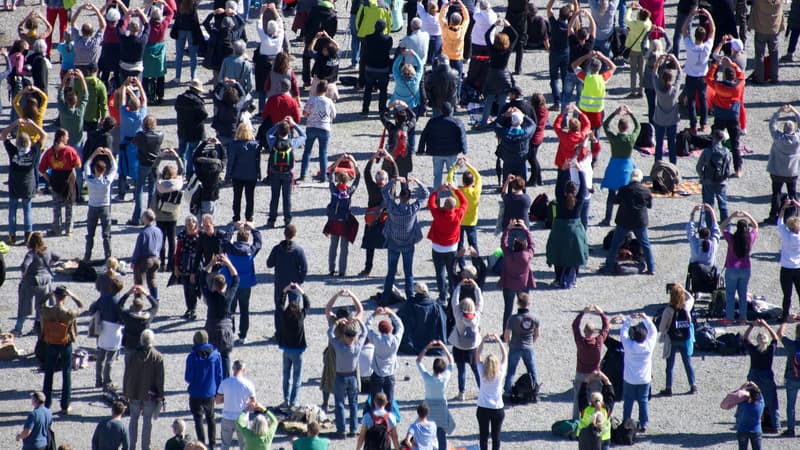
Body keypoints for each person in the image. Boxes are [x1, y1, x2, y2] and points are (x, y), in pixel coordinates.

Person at [381, 176, 429, 302]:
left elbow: (384, 191)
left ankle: (385, 297)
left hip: (393, 242)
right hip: (408, 243)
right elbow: (426, 194)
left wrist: (394, 180)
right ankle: (410, 297)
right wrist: (418, 181)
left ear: (399, 198)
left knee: (391, 272)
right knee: (408, 273)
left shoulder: (392, 208)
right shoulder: (412, 209)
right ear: (409, 199)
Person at [39, 286, 84, 414]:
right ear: (65, 297)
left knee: (49, 373)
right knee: (66, 373)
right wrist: (72, 295)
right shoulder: (69, 313)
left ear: (55, 296)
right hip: (65, 343)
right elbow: (81, 306)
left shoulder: (47, 311)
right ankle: (65, 405)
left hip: (50, 342)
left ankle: (46, 404)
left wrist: (49, 294)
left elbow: (39, 303)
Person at [1, 120, 45, 246]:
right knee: (27, 210)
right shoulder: (33, 153)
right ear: (29, 143)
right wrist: (33, 125)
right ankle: (28, 236)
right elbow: (44, 135)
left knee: (12, 210)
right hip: (28, 184)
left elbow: (3, 134)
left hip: (14, 184)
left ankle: (12, 236)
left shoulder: (13, 152)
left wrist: (15, 123)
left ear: (18, 143)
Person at [604, 169, 655, 275]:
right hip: (639, 221)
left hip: (624, 221)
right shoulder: (646, 191)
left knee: (615, 245)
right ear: (640, 179)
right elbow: (649, 205)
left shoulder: (623, 189)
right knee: (645, 244)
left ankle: (608, 267)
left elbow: (615, 201)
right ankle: (651, 268)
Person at [547, 164, 589, 288]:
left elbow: (558, 186)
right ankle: (573, 278)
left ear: (565, 191)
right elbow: (584, 189)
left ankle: (558, 279)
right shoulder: (579, 201)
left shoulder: (560, 199)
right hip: (575, 230)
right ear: (574, 191)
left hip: (560, 229)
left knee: (558, 254)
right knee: (575, 254)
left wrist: (563, 170)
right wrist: (580, 171)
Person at [616, 311, 657, 433]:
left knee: (628, 401)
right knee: (643, 401)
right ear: (645, 337)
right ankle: (643, 424)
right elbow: (653, 331)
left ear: (633, 337)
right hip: (644, 379)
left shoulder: (629, 345)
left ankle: (626, 421)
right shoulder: (649, 346)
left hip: (629, 378)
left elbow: (623, 332)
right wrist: (645, 318)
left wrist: (629, 319)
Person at [123, 329, 164, 450]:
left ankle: (131, 447)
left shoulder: (131, 355)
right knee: (147, 422)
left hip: (134, 392)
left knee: (133, 419)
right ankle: (145, 447)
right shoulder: (158, 357)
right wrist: (161, 394)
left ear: (141, 340)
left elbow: (127, 374)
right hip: (150, 395)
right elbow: (159, 379)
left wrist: (125, 392)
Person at [221, 222, 262, 344]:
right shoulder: (250, 251)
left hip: (232, 283)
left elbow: (225, 239)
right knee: (244, 310)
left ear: (237, 238)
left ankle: (230, 332)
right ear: (247, 239)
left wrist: (234, 227)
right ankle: (243, 335)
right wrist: (254, 228)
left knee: (230, 309)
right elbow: (258, 242)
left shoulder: (231, 249)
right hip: (246, 284)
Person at [328, 311, 368, 438]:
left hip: (340, 376)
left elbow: (329, 333)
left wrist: (337, 322)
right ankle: (353, 429)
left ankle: (341, 430)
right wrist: (358, 320)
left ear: (345, 336)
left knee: (339, 403)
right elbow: (365, 332)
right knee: (353, 404)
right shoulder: (357, 347)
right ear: (354, 337)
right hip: (352, 377)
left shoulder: (339, 345)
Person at [200, 253, 239, 378]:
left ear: (214, 286)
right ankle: (226, 379)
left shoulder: (210, 296)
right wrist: (228, 262)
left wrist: (211, 263)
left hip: (211, 327)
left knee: (211, 355)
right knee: (225, 356)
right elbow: (236, 278)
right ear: (225, 285)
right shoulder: (228, 296)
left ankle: (211, 378)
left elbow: (202, 277)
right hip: (225, 328)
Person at [359, 150, 398, 276]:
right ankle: (393, 269)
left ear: (376, 180)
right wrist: (391, 159)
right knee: (391, 246)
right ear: (386, 180)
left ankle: (368, 268)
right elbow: (395, 174)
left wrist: (373, 158)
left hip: (373, 219)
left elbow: (366, 173)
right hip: (387, 219)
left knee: (370, 246)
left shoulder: (372, 187)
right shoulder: (390, 187)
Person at [427, 183, 468, 304]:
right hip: (451, 248)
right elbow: (465, 202)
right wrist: (455, 190)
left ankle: (442, 296)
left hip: (438, 248)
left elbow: (431, 203)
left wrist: (437, 191)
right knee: (452, 272)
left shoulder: (438, 214)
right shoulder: (458, 214)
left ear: (444, 206)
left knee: (440, 273)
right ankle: (453, 294)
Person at [600, 105, 640, 226]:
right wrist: (631, 113)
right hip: (627, 168)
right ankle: (625, 220)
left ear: (618, 127)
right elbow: (638, 127)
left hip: (614, 166)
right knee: (626, 196)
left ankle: (607, 219)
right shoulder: (631, 139)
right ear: (627, 128)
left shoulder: (614, 138)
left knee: (611, 195)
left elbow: (605, 125)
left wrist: (615, 113)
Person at [13, 233, 60, 336]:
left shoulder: (31, 254)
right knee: (41, 306)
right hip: (45, 281)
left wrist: (24, 275)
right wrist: (49, 263)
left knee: (24, 305)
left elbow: (24, 266)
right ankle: (37, 327)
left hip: (31, 281)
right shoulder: (48, 251)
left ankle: (18, 329)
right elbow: (57, 257)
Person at [706, 57, 745, 177]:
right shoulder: (737, 88)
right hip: (732, 117)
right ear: (733, 78)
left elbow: (708, 78)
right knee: (735, 144)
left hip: (720, 116)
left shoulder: (718, 86)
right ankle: (738, 169)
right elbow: (742, 76)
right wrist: (733, 64)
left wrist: (715, 65)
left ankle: (713, 165)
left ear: (724, 76)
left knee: (716, 141)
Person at [475, 19, 517, 128]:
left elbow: (486, 35)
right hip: (504, 76)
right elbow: (516, 36)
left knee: (489, 99)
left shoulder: (492, 49)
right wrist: (508, 25)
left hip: (492, 76)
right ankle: (500, 122)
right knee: (503, 100)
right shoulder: (507, 51)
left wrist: (494, 25)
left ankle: (483, 122)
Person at [267, 224, 308, 337]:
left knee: (279, 308)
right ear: (295, 234)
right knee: (295, 310)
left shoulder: (277, 248)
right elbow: (304, 268)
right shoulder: (299, 250)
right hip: (294, 285)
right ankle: (293, 332)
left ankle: (279, 333)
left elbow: (269, 264)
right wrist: (300, 280)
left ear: (284, 234)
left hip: (280, 283)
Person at [39, 128, 82, 237]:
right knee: (69, 205)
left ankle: (57, 228)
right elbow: (78, 164)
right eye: (67, 136)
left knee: (56, 206)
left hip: (55, 179)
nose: (68, 138)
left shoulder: (50, 152)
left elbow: (42, 169)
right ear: (62, 137)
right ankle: (68, 229)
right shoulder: (69, 151)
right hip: (68, 179)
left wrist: (49, 179)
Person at [324, 154, 361, 277]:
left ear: (337, 179)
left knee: (333, 246)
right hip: (345, 221)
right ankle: (342, 271)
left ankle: (330, 268)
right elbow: (358, 178)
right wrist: (353, 161)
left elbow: (330, 172)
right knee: (344, 248)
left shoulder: (334, 190)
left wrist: (339, 160)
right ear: (347, 180)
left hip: (334, 220)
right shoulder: (349, 191)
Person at [657, 283, 697, 396]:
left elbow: (661, 328)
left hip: (672, 339)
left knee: (670, 365)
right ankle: (693, 385)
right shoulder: (686, 307)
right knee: (687, 363)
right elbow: (691, 298)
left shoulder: (668, 310)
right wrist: (682, 289)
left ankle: (668, 388)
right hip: (685, 339)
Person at [719, 210, 759, 325]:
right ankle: (742, 317)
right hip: (745, 269)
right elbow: (756, 226)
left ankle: (729, 318)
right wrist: (747, 214)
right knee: (743, 294)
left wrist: (732, 216)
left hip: (732, 269)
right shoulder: (750, 239)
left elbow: (721, 227)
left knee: (730, 295)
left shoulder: (732, 239)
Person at [185, 330, 224, 447]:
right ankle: (212, 445)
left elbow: (188, 377)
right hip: (210, 392)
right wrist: (218, 391)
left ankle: (201, 445)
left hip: (196, 392)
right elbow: (219, 375)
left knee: (198, 419)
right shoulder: (216, 355)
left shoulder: (192, 357)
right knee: (211, 418)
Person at [571, 305, 610, 419]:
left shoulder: (580, 341)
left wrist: (582, 312)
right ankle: (596, 419)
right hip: (595, 374)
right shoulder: (598, 341)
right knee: (596, 399)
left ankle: (576, 421)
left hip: (581, 373)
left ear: (584, 331)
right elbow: (606, 327)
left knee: (577, 399)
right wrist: (601, 313)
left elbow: (574, 326)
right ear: (594, 332)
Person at [742, 319, 781, 434]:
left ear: (757, 341)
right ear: (766, 341)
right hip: (767, 375)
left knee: (754, 400)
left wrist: (752, 325)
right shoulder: (770, 350)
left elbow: (745, 338)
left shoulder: (754, 350)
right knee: (772, 401)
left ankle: (754, 424)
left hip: (754, 376)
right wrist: (766, 325)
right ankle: (775, 425)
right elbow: (775, 338)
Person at [265, 118, 305, 227]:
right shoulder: (292, 143)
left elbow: (268, 133)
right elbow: (303, 136)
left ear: (278, 131)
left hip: (274, 173)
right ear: (289, 131)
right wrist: (294, 124)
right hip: (288, 174)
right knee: (286, 198)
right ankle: (287, 220)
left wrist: (278, 123)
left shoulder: (273, 141)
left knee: (274, 197)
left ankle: (271, 220)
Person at [56, 70, 89, 202]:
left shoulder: (63, 110)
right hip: (77, 144)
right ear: (76, 102)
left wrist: (65, 79)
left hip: (65, 144)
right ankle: (79, 194)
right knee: (78, 171)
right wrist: (81, 78)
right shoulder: (79, 112)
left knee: (64, 170)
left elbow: (59, 94)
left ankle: (65, 194)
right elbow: (86, 95)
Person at [682, 7, 715, 134]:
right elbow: (713, 30)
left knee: (691, 101)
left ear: (695, 35)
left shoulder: (690, 46)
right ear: (704, 36)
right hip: (702, 76)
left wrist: (691, 15)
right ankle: (704, 123)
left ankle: (693, 124)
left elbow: (684, 30)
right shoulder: (707, 47)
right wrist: (708, 15)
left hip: (691, 76)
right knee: (702, 100)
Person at [765, 105, 800, 225]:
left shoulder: (778, 137)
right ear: (793, 129)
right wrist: (794, 111)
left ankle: (773, 216)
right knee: (793, 194)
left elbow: (772, 125)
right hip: (792, 172)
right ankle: (794, 217)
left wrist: (778, 111)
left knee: (776, 194)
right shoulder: (797, 139)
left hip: (777, 171)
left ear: (784, 129)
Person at [498, 220, 535, 331]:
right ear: (524, 247)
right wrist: (525, 228)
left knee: (507, 310)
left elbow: (503, 243)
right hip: (523, 285)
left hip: (509, 285)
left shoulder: (508, 255)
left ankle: (505, 333)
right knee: (524, 308)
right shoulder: (527, 255)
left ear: (513, 246)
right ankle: (524, 329)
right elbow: (532, 243)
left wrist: (508, 228)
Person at [501, 292, 540, 398]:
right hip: (528, 346)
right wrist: (531, 342)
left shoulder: (513, 318)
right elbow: (537, 335)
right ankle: (536, 390)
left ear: (518, 303)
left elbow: (506, 335)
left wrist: (509, 343)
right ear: (529, 303)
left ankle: (507, 391)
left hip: (515, 346)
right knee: (532, 369)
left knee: (511, 371)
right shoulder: (534, 318)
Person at [277, 283, 310, 408]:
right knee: (297, 377)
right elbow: (307, 304)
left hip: (286, 350)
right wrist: (301, 291)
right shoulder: (300, 317)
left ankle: (285, 399)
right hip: (298, 351)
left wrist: (285, 290)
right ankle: (293, 401)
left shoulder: (284, 316)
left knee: (286, 376)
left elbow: (280, 304)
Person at [365, 307, 405, 406]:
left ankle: (375, 418)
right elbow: (400, 326)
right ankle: (388, 418)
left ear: (379, 330)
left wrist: (374, 314)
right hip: (390, 374)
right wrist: (391, 314)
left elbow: (366, 327)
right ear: (391, 329)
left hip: (377, 373)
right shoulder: (395, 340)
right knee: (389, 400)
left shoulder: (376, 339)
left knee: (375, 400)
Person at [474, 333, 507, 450]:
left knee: (483, 437)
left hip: (483, 407)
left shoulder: (482, 372)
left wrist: (483, 340)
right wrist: (499, 340)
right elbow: (504, 355)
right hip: (497, 408)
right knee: (496, 437)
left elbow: (477, 355)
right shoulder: (500, 373)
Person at [397, 283, 448, 355]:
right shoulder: (435, 306)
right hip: (431, 342)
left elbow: (398, 318)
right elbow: (442, 324)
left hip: (412, 343)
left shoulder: (409, 304)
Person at [301, 80, 337, 183]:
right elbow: (334, 115)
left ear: (316, 89)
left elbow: (305, 113)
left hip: (311, 127)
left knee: (307, 151)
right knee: (323, 153)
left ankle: (303, 174)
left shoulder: (311, 100)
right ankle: (323, 176)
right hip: (324, 128)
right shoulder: (329, 101)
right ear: (326, 90)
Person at [216, 360, 256, 450]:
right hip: (242, 418)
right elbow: (253, 403)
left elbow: (218, 401)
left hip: (227, 417)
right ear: (244, 370)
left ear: (233, 369)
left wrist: (227, 398)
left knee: (225, 445)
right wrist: (246, 407)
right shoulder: (248, 384)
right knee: (244, 445)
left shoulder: (225, 382)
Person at [130, 118, 163, 227]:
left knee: (139, 190)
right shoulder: (160, 135)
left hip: (143, 164)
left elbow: (134, 143)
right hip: (154, 165)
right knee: (152, 191)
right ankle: (150, 217)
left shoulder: (141, 135)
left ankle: (137, 217)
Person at [225, 124, 261, 223]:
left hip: (237, 175)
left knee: (237, 197)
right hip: (251, 175)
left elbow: (230, 162)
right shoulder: (255, 145)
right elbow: (258, 161)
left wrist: (227, 177)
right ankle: (249, 217)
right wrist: (259, 173)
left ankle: (236, 217)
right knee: (250, 197)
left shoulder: (233, 145)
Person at [696, 129, 733, 225]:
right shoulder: (727, 151)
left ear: (713, 137)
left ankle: (709, 228)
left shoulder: (707, 151)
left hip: (708, 181)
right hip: (721, 182)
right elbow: (728, 170)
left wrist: (702, 177)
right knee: (723, 206)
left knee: (708, 206)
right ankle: (726, 228)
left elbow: (699, 167)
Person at [175, 79, 209, 180]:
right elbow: (204, 115)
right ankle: (189, 173)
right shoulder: (198, 102)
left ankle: (181, 171)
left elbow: (176, 109)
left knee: (182, 151)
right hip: (195, 131)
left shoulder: (180, 98)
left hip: (182, 129)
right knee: (192, 152)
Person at [562, 8, 596, 111]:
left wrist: (576, 14)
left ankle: (563, 118)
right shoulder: (589, 46)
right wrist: (589, 15)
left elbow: (569, 27)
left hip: (570, 71)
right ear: (586, 37)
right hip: (583, 74)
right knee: (580, 98)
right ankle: (577, 119)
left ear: (576, 36)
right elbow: (594, 28)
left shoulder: (573, 42)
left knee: (566, 97)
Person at [651, 53, 682, 164]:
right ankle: (673, 165)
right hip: (672, 120)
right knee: (671, 144)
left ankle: (658, 164)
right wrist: (674, 59)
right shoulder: (674, 90)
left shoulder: (659, 89)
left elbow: (654, 73)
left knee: (659, 144)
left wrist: (659, 59)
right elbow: (680, 73)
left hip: (659, 119)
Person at [446, 155, 481, 253]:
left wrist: (455, 166)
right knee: (473, 244)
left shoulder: (458, 192)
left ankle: (461, 265)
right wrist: (467, 164)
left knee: (459, 244)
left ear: (463, 181)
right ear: (472, 181)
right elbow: (478, 176)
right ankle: (476, 265)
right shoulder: (476, 191)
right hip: (472, 222)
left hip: (459, 221)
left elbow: (449, 180)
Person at [361, 20, 393, 116]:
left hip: (370, 67)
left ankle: (365, 109)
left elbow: (364, 51)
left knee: (368, 89)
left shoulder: (368, 38)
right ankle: (382, 109)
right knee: (383, 90)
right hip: (383, 68)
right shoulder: (388, 39)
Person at [117, 285, 159, 358]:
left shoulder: (128, 316)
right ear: (142, 307)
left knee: (129, 365)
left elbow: (119, 306)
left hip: (130, 344)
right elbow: (155, 305)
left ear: (132, 306)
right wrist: (146, 293)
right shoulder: (147, 318)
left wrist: (128, 293)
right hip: (144, 344)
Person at [721, 381, 765, 449]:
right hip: (756, 431)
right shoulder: (761, 403)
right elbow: (759, 392)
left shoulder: (743, 404)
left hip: (742, 430)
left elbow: (734, 396)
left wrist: (741, 388)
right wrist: (755, 386)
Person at [494, 109, 535, 181]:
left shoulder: (505, 132)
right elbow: (533, 124)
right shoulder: (525, 133)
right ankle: (522, 190)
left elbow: (495, 125)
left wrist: (504, 116)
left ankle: (507, 190)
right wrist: (524, 115)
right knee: (521, 181)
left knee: (507, 180)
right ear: (521, 121)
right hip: (521, 159)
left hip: (507, 160)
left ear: (511, 120)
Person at [439, 0, 470, 97]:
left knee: (443, 78)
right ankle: (457, 98)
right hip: (457, 58)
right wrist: (461, 4)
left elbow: (441, 16)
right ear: (459, 22)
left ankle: (443, 96)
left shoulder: (445, 29)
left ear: (450, 21)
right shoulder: (462, 30)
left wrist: (447, 5)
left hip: (446, 57)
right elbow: (467, 18)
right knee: (458, 80)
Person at [545, 0, 572, 110]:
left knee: (554, 78)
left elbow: (548, 9)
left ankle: (557, 102)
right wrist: (575, 3)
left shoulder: (554, 24)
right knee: (565, 77)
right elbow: (577, 12)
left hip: (554, 53)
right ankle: (565, 101)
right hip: (566, 53)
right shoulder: (569, 26)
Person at [131, 209, 163, 300]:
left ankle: (138, 303)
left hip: (145, 260)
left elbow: (138, 249)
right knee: (152, 280)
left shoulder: (144, 233)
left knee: (139, 282)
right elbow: (161, 244)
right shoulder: (158, 231)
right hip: (156, 258)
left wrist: (134, 261)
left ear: (145, 218)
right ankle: (155, 299)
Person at [380, 101, 417, 177]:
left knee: (391, 175)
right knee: (404, 175)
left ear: (396, 119)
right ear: (406, 118)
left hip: (392, 154)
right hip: (404, 155)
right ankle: (404, 188)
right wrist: (406, 106)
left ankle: (391, 188)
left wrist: (389, 107)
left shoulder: (391, 128)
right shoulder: (407, 128)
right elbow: (413, 117)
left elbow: (382, 116)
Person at [750, 0, 782, 84]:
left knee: (759, 54)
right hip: (774, 29)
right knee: (774, 54)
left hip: (761, 29)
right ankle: (775, 77)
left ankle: (759, 78)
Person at [176, 216, 202, 320]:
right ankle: (189, 308)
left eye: (191, 225)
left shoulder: (200, 236)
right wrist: (176, 266)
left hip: (195, 264)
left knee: (193, 289)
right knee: (186, 288)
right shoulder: (182, 235)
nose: (189, 227)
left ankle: (193, 309)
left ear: (195, 224)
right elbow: (178, 251)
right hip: (184, 263)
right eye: (187, 225)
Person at [192, 138, 226, 217]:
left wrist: (204, 143)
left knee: (198, 218)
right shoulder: (218, 167)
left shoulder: (201, 167)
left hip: (199, 194)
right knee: (209, 219)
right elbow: (224, 157)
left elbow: (194, 157)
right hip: (212, 196)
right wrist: (220, 145)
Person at [624, 3, 652, 98]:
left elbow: (626, 19)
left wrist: (630, 9)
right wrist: (642, 8)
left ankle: (633, 91)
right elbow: (647, 17)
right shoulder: (648, 24)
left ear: (639, 16)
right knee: (641, 71)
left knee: (633, 71)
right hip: (644, 49)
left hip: (633, 49)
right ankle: (641, 91)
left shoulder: (634, 24)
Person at [779, 199, 800, 322]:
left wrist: (784, 207)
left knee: (787, 295)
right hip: (798, 267)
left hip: (786, 268)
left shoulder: (785, 234)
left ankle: (785, 315)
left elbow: (779, 221)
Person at [172, 0, 203, 83]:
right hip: (192, 31)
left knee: (179, 55)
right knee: (193, 55)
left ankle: (177, 77)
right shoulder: (194, 3)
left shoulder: (178, 2)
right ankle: (194, 76)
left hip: (180, 29)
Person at [117, 7, 151, 79]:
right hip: (137, 67)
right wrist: (141, 14)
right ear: (138, 30)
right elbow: (148, 26)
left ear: (129, 28)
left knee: (124, 86)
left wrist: (127, 14)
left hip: (124, 66)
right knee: (137, 86)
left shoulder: (123, 39)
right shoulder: (142, 41)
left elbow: (119, 26)